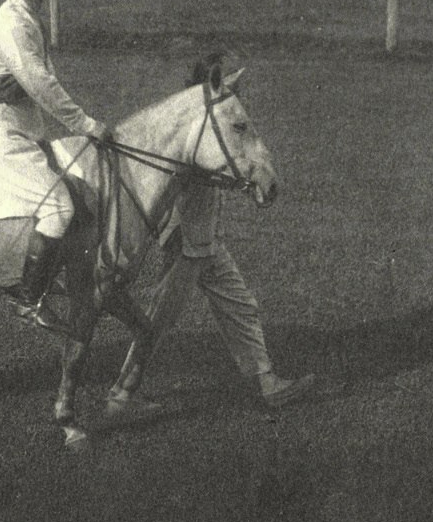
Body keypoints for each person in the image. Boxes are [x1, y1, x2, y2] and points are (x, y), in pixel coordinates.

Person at [106, 54, 340, 414]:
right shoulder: (194, 132)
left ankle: (268, 382)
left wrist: (250, 182)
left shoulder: (205, 125)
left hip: (204, 243)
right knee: (158, 320)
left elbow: (224, 167)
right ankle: (122, 393)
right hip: (187, 244)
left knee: (239, 305)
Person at [0, 0, 109, 332]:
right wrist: (84, 124)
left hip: (25, 129)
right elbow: (40, 83)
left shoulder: (28, 19)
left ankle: (46, 271)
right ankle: (28, 299)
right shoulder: (11, 24)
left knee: (74, 192)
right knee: (60, 208)